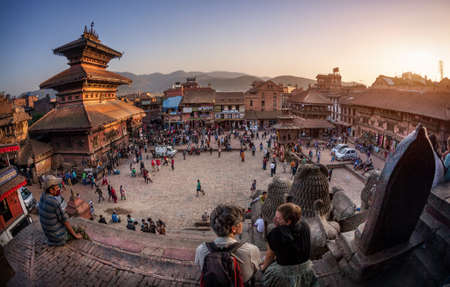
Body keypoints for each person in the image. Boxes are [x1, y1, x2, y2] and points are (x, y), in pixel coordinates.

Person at [195, 205, 261, 286]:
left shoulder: (201, 250)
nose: (242, 223)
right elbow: (254, 270)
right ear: (233, 228)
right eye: (240, 221)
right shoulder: (251, 250)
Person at [261, 203, 317, 287]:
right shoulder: (305, 226)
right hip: (306, 268)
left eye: (278, 218)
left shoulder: (276, 233)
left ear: (288, 221)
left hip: (285, 272)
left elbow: (269, 256)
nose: (275, 220)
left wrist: (263, 268)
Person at [39, 175, 82, 245]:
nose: (59, 189)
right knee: (78, 230)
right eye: (57, 187)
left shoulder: (43, 196)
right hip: (58, 237)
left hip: (49, 235)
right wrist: (76, 235)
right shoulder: (53, 202)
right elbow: (64, 220)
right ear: (51, 190)